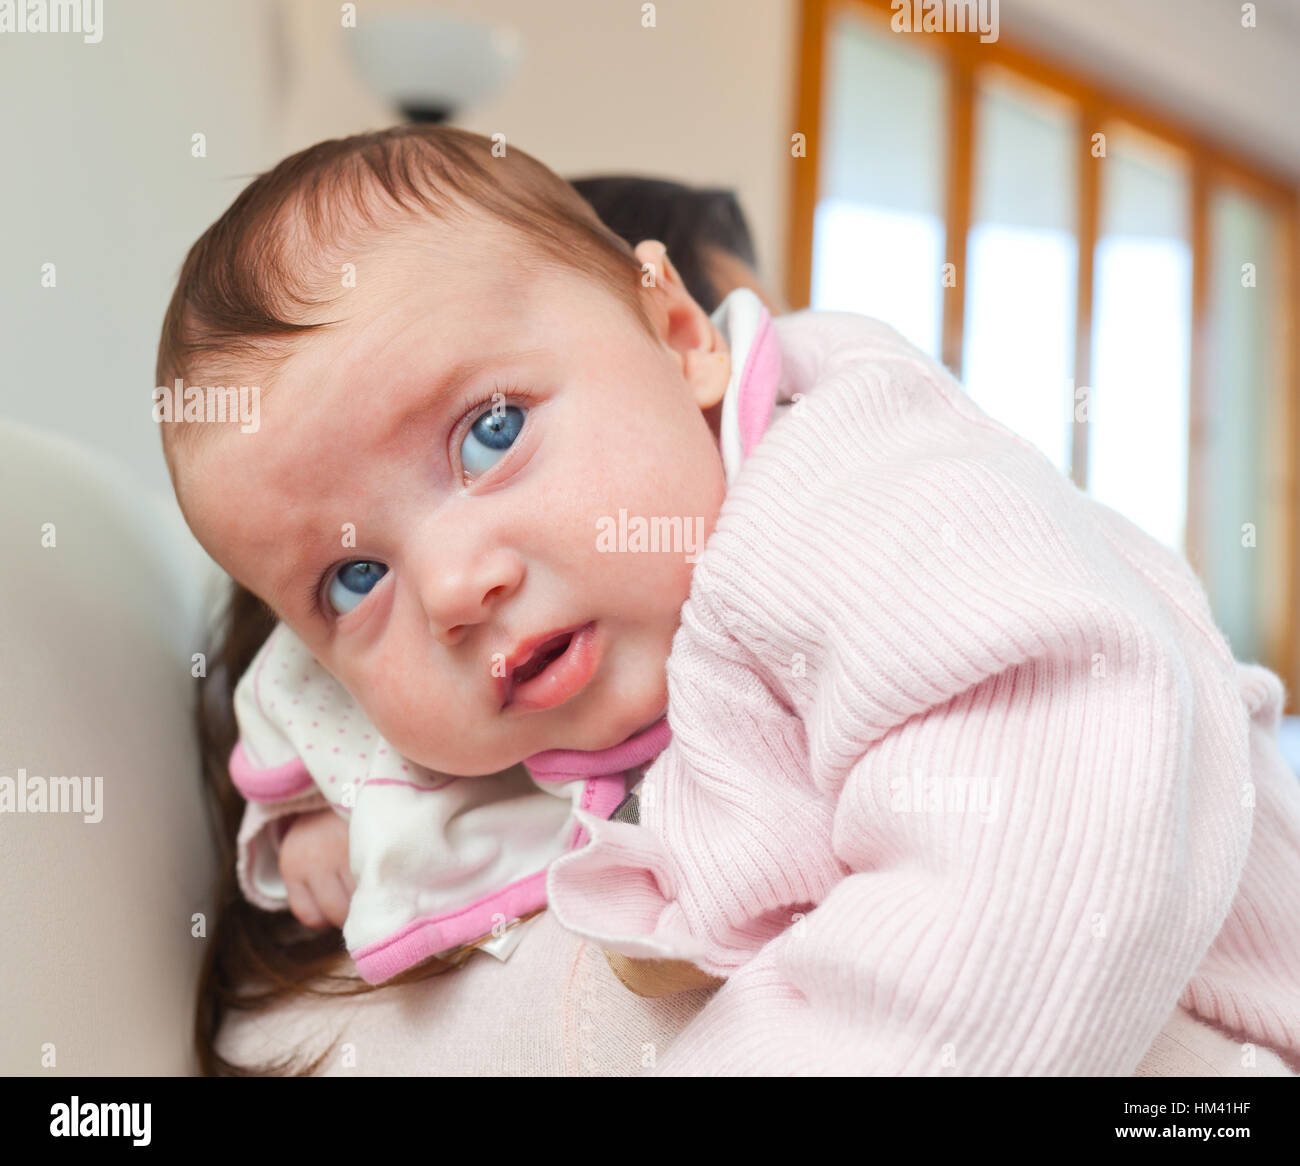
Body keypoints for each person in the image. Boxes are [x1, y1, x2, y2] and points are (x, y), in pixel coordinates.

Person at [156, 124, 1299, 1075]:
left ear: (678, 333)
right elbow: (294, 692)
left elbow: (1031, 879)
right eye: (356, 575)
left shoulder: (870, 503)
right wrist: (322, 799)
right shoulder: (600, 620)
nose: (455, 586)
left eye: (489, 432)